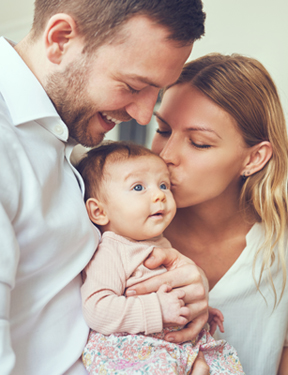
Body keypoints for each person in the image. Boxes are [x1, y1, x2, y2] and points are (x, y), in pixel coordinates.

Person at [0, 1, 208, 374]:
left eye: (155, 93)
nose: (143, 115)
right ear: (61, 40)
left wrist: (179, 289)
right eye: (132, 86)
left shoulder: (63, 130)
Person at [129, 53, 288, 375]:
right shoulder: (119, 226)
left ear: (254, 158)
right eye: (163, 129)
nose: (166, 156)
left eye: (199, 143)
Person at [77, 140, 245, 375]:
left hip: (168, 345)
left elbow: (169, 291)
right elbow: (97, 309)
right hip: (134, 352)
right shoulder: (112, 251)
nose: (159, 195)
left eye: (164, 185)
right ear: (99, 211)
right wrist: (157, 309)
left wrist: (194, 314)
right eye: (138, 187)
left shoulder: (159, 243)